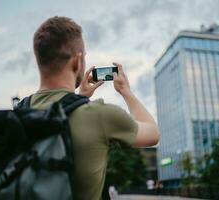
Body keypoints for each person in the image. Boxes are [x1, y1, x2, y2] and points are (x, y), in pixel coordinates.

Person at [30, 16, 160, 200]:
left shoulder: (21, 110)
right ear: (77, 62)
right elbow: (153, 133)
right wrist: (126, 92)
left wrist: (77, 98)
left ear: (40, 61)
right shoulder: (101, 116)